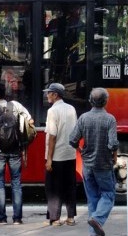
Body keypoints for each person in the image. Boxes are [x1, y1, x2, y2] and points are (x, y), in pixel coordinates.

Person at [69, 87, 119, 236]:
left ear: (91, 101)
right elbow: (113, 143)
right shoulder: (110, 119)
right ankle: (97, 219)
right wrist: (114, 155)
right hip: (104, 165)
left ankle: (93, 233)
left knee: (93, 200)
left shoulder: (83, 118)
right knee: (108, 194)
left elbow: (72, 140)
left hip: (88, 165)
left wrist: (81, 151)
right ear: (106, 101)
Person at [0, 81, 33, 225]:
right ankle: (17, 218)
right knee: (16, 183)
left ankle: (2, 218)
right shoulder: (16, 106)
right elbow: (30, 121)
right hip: (15, 149)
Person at [43, 83, 77, 226]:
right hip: (70, 153)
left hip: (57, 155)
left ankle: (55, 218)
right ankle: (70, 218)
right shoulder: (71, 109)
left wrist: (49, 159)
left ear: (55, 95)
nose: (47, 95)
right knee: (69, 185)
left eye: (49, 93)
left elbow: (52, 136)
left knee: (54, 188)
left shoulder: (52, 111)